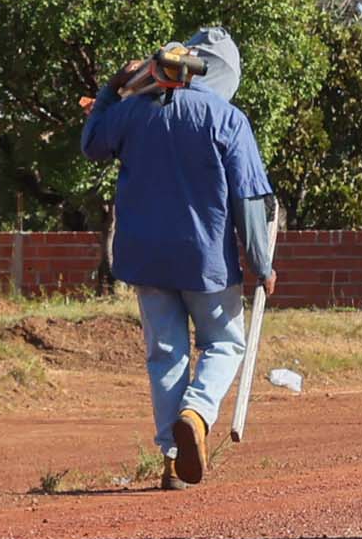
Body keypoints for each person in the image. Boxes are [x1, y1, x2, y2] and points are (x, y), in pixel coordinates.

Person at [79, 24, 273, 486]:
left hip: (144, 257)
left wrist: (111, 88)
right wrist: (262, 265)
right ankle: (198, 414)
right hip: (206, 257)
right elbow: (249, 202)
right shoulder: (226, 118)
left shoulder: (133, 111)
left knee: (165, 354)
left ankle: (172, 459)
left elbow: (91, 146)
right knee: (225, 343)